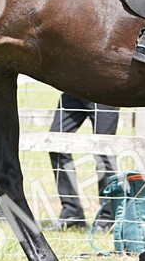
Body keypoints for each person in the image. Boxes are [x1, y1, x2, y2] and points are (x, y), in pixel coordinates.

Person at [47, 93, 119, 231]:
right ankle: (71, 213)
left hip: (105, 92)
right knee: (56, 144)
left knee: (103, 152)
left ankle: (108, 217)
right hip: (74, 89)